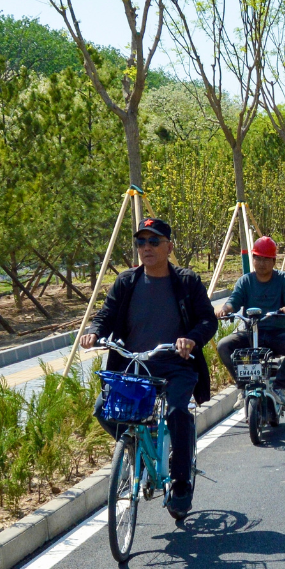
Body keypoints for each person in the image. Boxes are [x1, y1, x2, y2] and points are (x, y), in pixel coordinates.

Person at [82, 216, 216, 523]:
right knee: (104, 409)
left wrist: (191, 339)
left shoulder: (186, 282)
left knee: (177, 413)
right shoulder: (126, 282)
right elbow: (105, 315)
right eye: (141, 242)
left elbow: (208, 320)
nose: (146, 247)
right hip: (134, 366)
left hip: (176, 366)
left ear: (169, 247)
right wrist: (94, 331)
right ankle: (135, 447)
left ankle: (180, 482)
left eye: (154, 241)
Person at [214, 236, 285, 406]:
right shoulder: (245, 281)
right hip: (251, 334)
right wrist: (225, 310)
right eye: (258, 258)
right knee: (223, 345)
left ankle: (279, 387)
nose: (262, 263)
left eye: (266, 259)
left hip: (278, 335)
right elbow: (233, 301)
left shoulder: (283, 279)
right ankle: (243, 387)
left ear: (273, 261)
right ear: (253, 259)